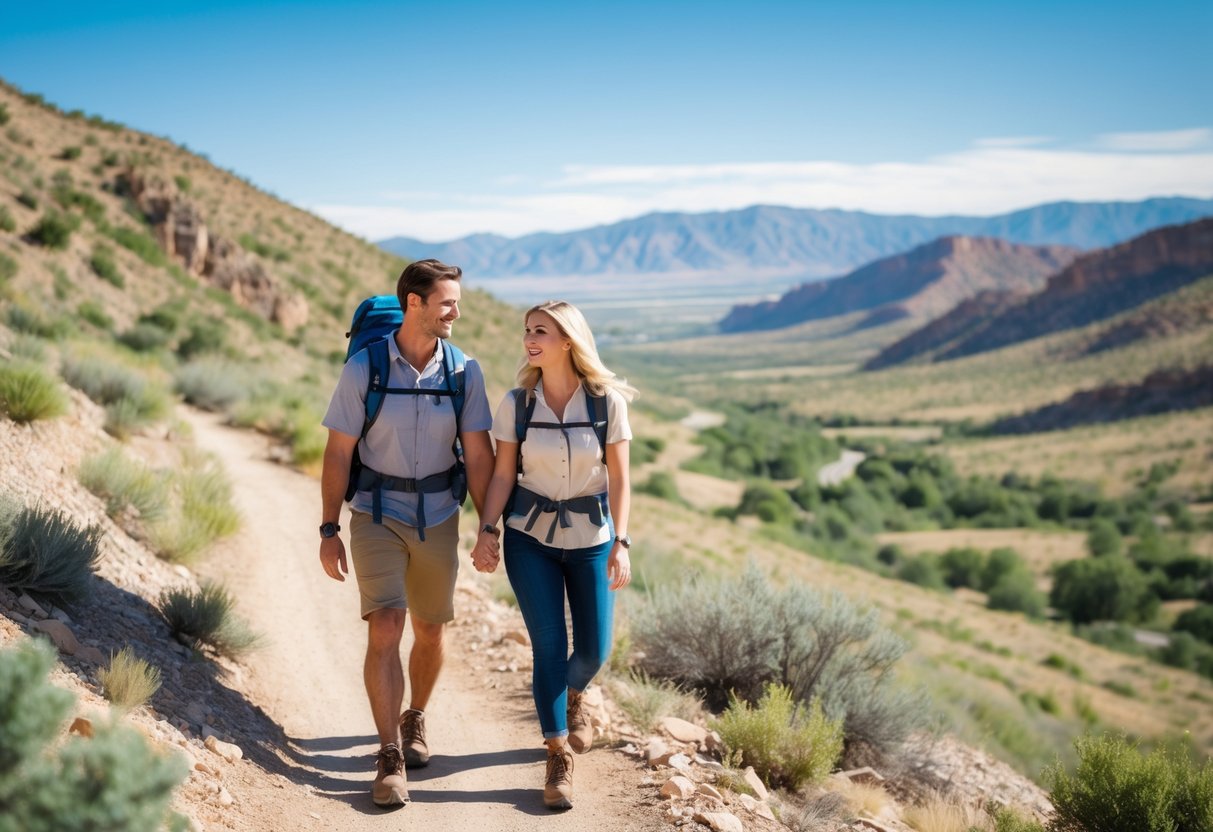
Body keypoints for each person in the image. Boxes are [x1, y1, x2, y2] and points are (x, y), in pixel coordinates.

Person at [318, 259, 495, 808]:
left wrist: (490, 527)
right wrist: (329, 528)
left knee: (432, 629)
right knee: (386, 627)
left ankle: (416, 714)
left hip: (440, 514)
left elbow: (482, 454)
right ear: (413, 303)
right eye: (447, 303)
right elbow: (338, 452)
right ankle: (389, 751)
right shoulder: (364, 370)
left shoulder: (464, 371)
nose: (456, 312)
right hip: (375, 513)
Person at [471, 299, 634, 810]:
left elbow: (622, 480)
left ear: (569, 340)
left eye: (540, 331)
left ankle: (574, 695)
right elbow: (502, 474)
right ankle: (558, 753)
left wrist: (622, 542)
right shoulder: (517, 403)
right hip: (529, 539)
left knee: (592, 651)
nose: (529, 339)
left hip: (591, 540)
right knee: (547, 646)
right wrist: (487, 529)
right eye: (527, 331)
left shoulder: (606, 403)